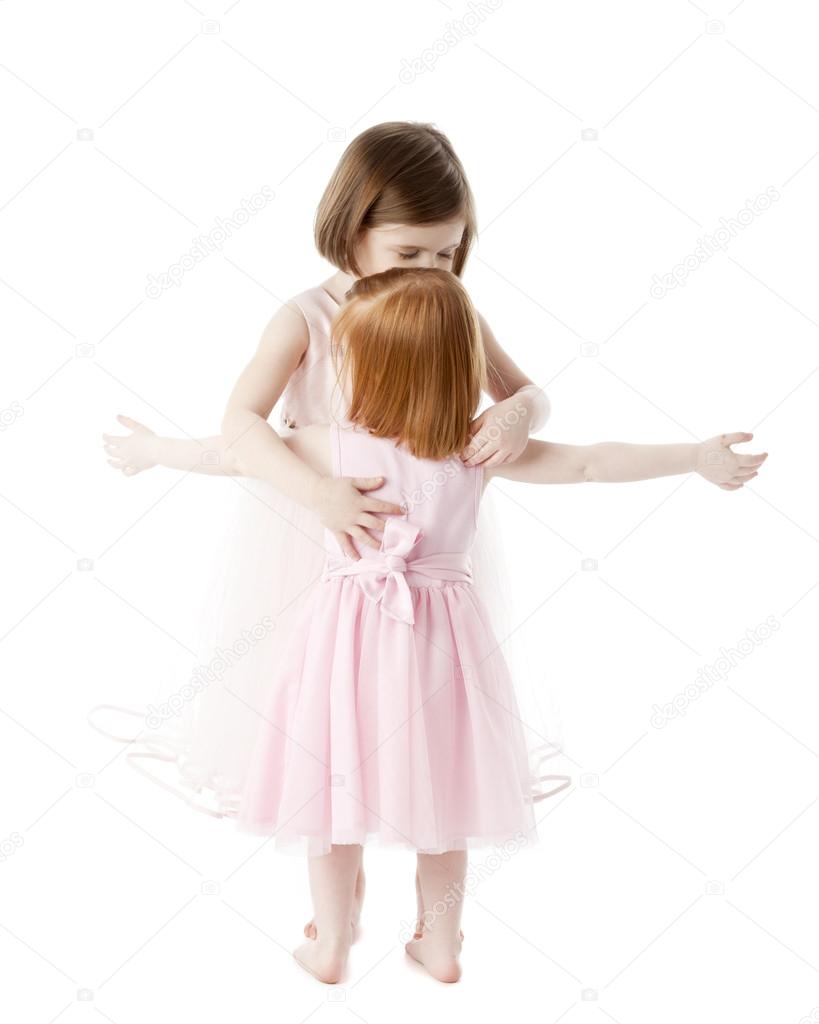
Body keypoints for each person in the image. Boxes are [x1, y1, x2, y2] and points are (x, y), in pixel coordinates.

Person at [231, 266, 768, 985]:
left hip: (346, 641)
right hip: (441, 645)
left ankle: (329, 943)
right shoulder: (471, 448)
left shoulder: (329, 445)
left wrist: (150, 453)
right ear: (458, 367)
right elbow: (586, 465)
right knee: (445, 793)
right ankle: (441, 943)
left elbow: (226, 450)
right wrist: (691, 457)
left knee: (334, 785)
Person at [90, 122, 567, 839]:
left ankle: (415, 818)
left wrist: (517, 415)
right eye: (408, 252)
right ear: (351, 230)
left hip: (426, 525)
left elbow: (527, 390)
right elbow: (241, 426)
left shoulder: (448, 308)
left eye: (447, 252)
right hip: (319, 525)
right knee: (319, 695)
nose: (432, 269)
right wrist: (315, 494)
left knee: (414, 692)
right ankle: (333, 854)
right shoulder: (307, 315)